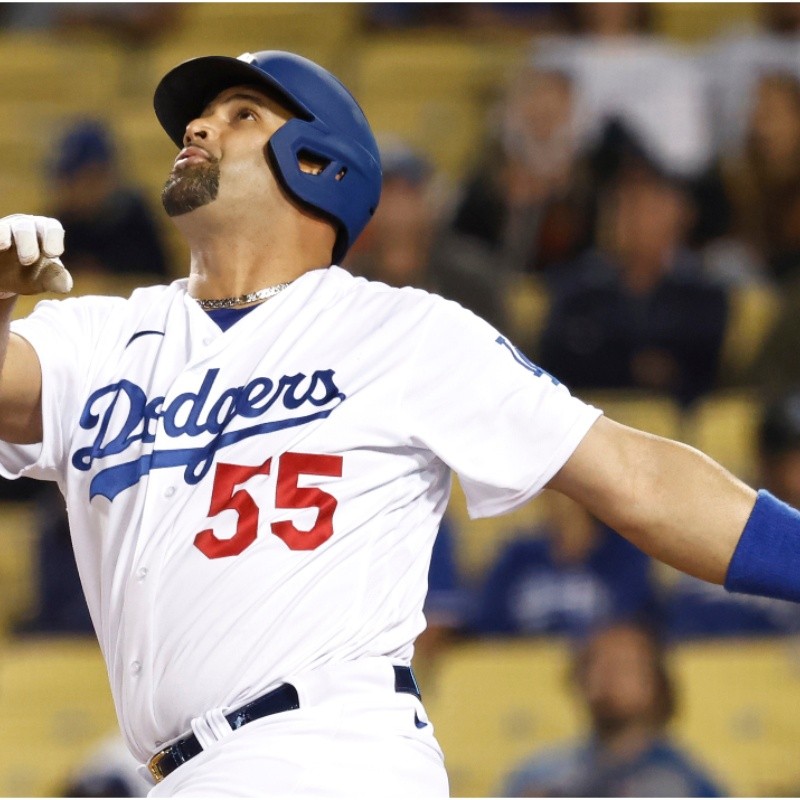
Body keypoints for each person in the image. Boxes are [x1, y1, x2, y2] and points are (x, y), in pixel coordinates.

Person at [0, 48, 795, 798]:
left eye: (242, 114)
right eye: (198, 117)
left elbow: (639, 479)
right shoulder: (101, 338)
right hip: (190, 768)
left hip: (325, 748)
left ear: (317, 163)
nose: (200, 128)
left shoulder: (400, 332)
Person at [501, 622, 725, 797]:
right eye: (596, 665)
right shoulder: (540, 775)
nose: (607, 678)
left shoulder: (686, 781)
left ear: (655, 685)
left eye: (624, 667)